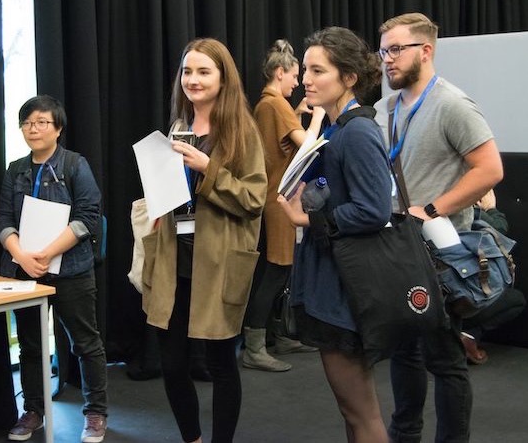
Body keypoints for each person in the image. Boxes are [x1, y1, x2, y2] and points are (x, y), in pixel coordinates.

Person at [373, 13, 504, 442]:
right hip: (399, 250)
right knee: (405, 353)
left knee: (445, 359)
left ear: (425, 51)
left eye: (396, 49)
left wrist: (431, 208)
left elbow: (490, 169)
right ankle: (404, 435)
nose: (387, 60)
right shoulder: (388, 107)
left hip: (441, 255)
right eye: (383, 51)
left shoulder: (451, 104)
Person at [142, 38, 267, 443]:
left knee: (221, 362)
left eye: (202, 71)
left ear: (223, 77)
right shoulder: (178, 125)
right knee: (173, 363)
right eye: (186, 71)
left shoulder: (242, 130)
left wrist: (207, 168)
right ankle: (192, 438)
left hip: (219, 261)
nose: (192, 80)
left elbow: (253, 199)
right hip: (173, 258)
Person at [277, 27, 391, 442]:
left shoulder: (357, 132)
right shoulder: (338, 129)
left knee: (360, 411)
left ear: (349, 77)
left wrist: (308, 220)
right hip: (332, 277)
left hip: (347, 285)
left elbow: (374, 210)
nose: (306, 78)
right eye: (305, 69)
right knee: (353, 409)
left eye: (317, 70)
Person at [0, 95, 108, 443]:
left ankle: (95, 413)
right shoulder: (16, 169)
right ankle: (33, 410)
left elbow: (89, 217)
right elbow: (3, 217)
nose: (34, 128)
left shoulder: (75, 165)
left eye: (42, 122)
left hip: (71, 270)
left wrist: (46, 252)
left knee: (85, 343)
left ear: (57, 128)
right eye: (28, 123)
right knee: (29, 346)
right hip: (25, 271)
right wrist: (22, 256)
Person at [244, 39, 325, 372]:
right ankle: (255, 346)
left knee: (279, 271)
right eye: (294, 75)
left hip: (275, 197)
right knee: (275, 272)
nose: (299, 82)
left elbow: (276, 147)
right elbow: (306, 146)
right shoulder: (273, 105)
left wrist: (295, 113)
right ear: (280, 73)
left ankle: (277, 337)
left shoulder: (271, 105)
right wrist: (317, 114)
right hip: (278, 199)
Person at [461, 190, 525, 364]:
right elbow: (500, 227)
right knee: (516, 299)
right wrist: (491, 209)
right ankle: (469, 335)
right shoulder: (468, 210)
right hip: (466, 293)